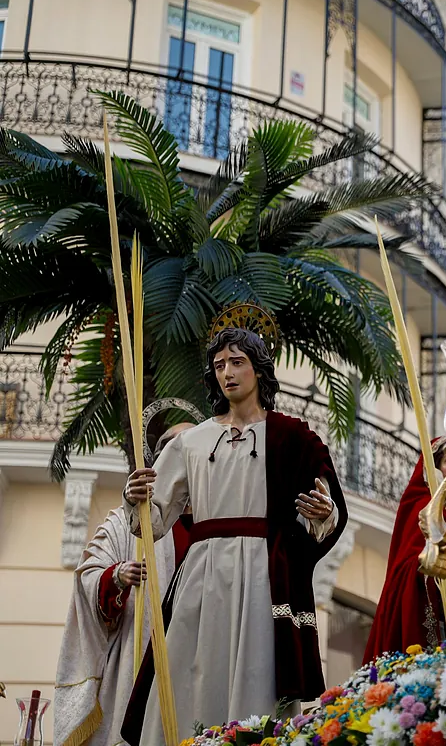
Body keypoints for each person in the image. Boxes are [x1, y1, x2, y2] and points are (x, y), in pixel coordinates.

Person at [119, 313, 348, 745]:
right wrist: (135, 499)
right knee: (194, 670)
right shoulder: (192, 442)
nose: (227, 372)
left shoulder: (292, 437)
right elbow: (152, 520)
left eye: (237, 361)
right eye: (219, 364)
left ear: (259, 369)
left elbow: (327, 512)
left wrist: (321, 513)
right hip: (203, 575)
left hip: (264, 575)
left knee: (257, 673)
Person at [53, 425, 194, 746]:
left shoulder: (216, 530)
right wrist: (116, 577)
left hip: (195, 662)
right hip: (139, 659)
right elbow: (88, 577)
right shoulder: (128, 522)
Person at [362, 439, 446, 658]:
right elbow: (410, 567)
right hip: (429, 618)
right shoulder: (424, 505)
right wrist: (441, 565)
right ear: (434, 468)